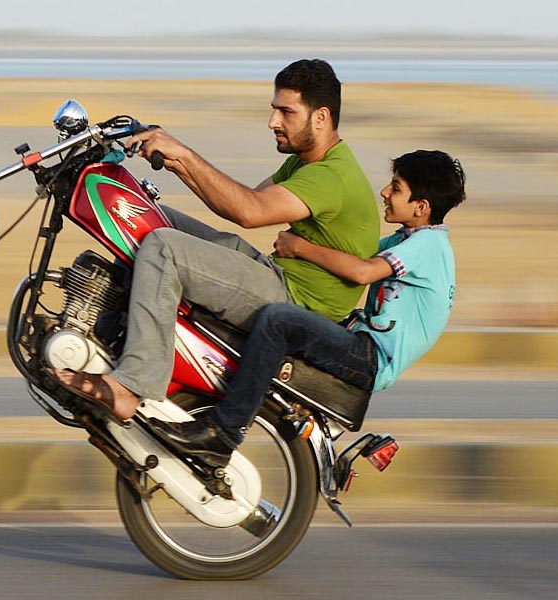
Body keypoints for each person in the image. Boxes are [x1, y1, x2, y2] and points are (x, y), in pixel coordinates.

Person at [55, 59, 380, 418]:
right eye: (274, 110)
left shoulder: (330, 176)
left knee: (164, 249)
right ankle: (111, 336)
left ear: (320, 117)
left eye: (286, 112)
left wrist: (183, 153)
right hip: (278, 274)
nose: (273, 122)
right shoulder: (311, 160)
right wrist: (176, 160)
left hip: (294, 303)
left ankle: (133, 384)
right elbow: (240, 198)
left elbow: (249, 211)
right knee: (148, 219)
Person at [148, 150, 467, 467]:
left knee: (278, 320)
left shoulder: (428, 246)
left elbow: (362, 271)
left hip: (370, 356)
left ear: (422, 207)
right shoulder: (408, 240)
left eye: (396, 188)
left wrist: (299, 247)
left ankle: (224, 431)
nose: (384, 192)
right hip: (359, 340)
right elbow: (353, 254)